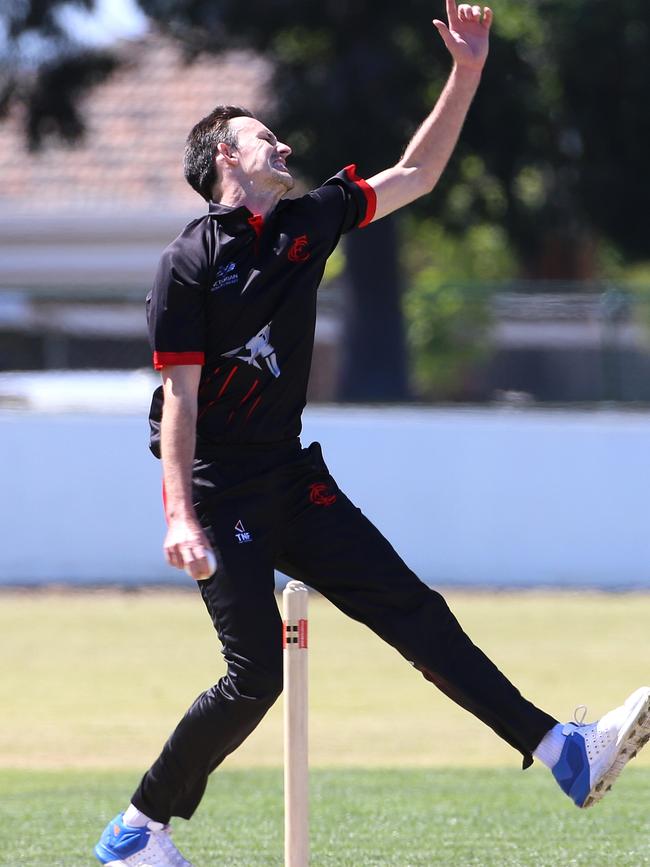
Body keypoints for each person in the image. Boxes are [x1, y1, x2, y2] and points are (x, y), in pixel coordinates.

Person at [94, 3, 650, 865]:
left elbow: (417, 174)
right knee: (256, 679)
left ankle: (564, 753)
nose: (282, 146)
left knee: (412, 609)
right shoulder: (188, 264)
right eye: (263, 137)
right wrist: (178, 513)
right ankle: (138, 828)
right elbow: (181, 403)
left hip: (288, 475)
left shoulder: (310, 222)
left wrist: (465, 72)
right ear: (223, 161)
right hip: (216, 488)